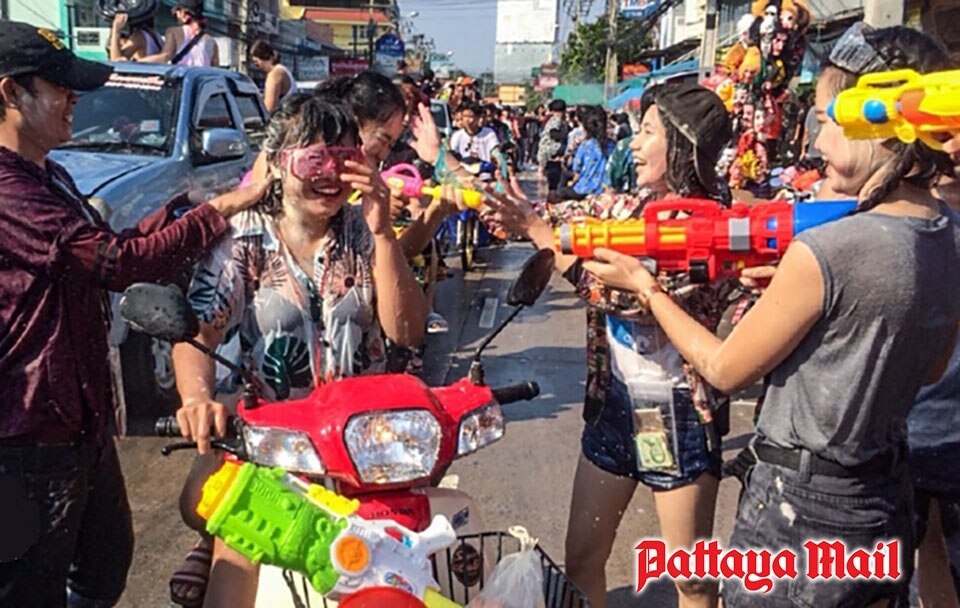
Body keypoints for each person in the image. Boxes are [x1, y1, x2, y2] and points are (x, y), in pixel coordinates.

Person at [582, 24, 960, 607]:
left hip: (801, 511)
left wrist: (645, 287)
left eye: (829, 119)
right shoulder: (944, 234)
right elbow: (931, 366)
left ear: (882, 124)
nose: (817, 139)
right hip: (881, 496)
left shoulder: (833, 249)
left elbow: (726, 369)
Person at [0, 20, 266, 607]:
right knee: (28, 589)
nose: (76, 99)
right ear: (10, 93)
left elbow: (111, 239)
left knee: (102, 567)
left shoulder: (51, 174)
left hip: (80, 419)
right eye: (60, 87)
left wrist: (180, 210)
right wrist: (222, 207)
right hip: (26, 439)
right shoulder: (7, 190)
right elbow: (115, 261)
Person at [484, 81, 736, 608]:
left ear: (684, 146)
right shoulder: (626, 204)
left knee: (691, 580)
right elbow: (567, 218)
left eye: (647, 133)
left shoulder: (714, 228)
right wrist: (514, 213)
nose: (633, 146)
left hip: (680, 417)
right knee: (581, 559)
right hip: (614, 407)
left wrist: (541, 235)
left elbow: (627, 298)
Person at [171, 94, 428, 607]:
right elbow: (198, 335)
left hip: (368, 448)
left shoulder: (365, 231)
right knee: (222, 526)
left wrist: (382, 233)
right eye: (315, 159)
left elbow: (406, 332)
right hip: (276, 450)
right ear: (279, 163)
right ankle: (210, 544)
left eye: (345, 158)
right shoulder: (244, 241)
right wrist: (198, 399)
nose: (331, 174)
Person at [554, 106, 614, 201]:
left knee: (559, 192)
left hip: (583, 189)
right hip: (604, 189)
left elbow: (576, 169)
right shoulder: (613, 146)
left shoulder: (585, 145)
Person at [141, 0, 219, 67]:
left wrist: (137, 62)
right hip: (200, 82)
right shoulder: (211, 41)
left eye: (177, 13)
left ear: (184, 15)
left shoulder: (174, 32)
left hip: (182, 81)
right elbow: (215, 69)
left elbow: (165, 56)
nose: (176, 16)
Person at [249, 39, 294, 113]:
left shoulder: (274, 75)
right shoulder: (283, 70)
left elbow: (269, 109)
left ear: (265, 58)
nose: (258, 67)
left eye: (257, 63)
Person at [450, 102, 501, 167]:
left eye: (470, 116)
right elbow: (453, 155)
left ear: (478, 117)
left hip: (485, 172)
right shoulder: (457, 136)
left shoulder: (489, 133)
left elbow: (495, 152)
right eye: (465, 116)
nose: (467, 120)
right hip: (463, 172)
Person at [537, 99, 568, 195]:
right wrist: (567, 135)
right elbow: (553, 133)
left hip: (548, 152)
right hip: (551, 149)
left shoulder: (552, 119)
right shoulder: (556, 119)